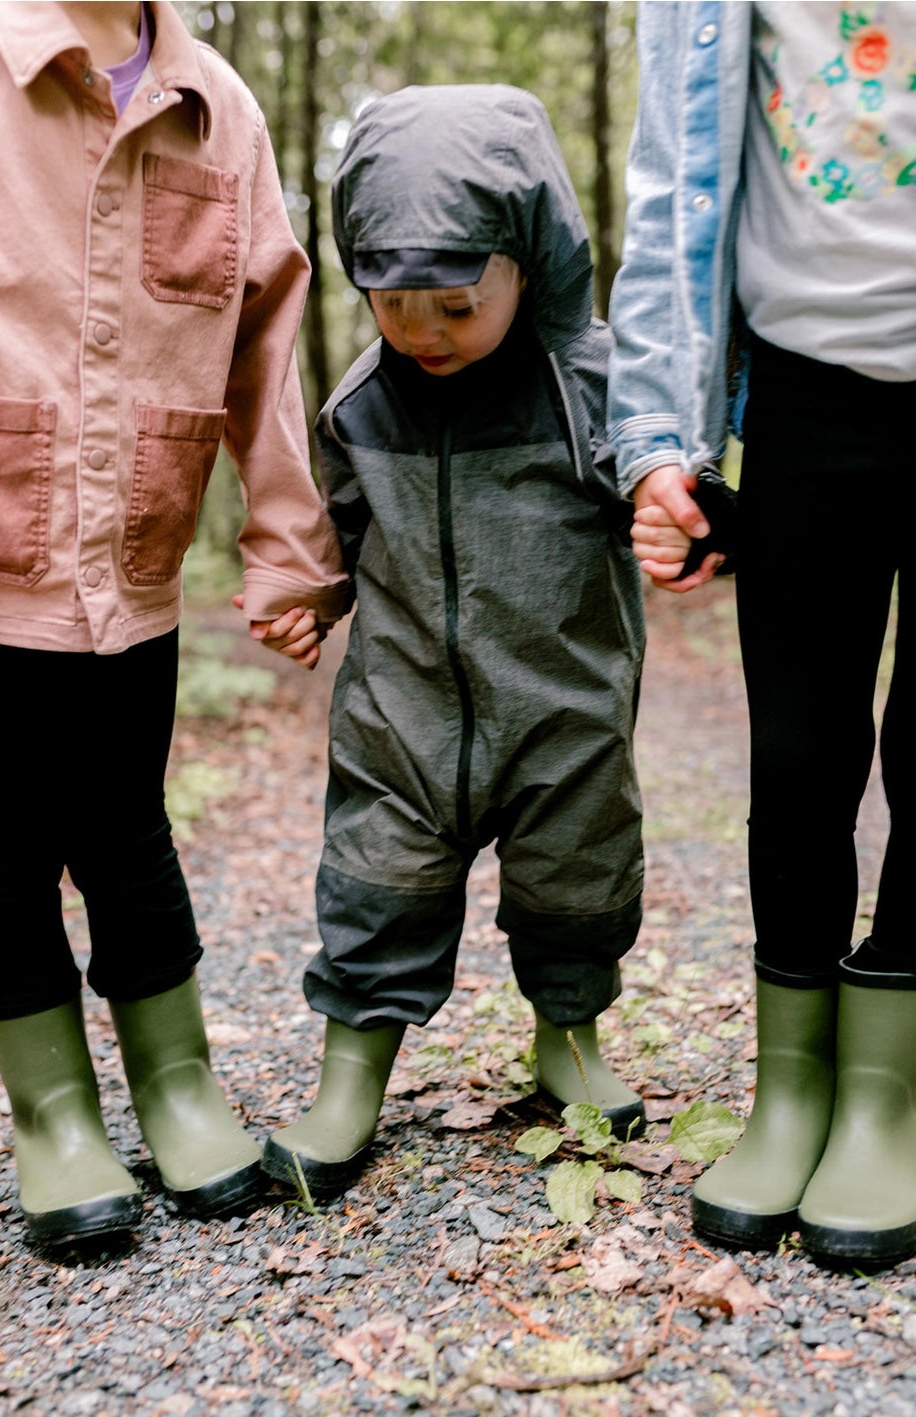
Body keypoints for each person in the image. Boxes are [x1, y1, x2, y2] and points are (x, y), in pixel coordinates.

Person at [0, 1, 349, 1246]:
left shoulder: (216, 105)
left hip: (132, 563)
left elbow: (267, 339)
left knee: (127, 831)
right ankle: (54, 1118)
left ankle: (178, 1086)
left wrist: (291, 546)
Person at [261, 83, 648, 1201]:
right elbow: (334, 521)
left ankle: (566, 1037)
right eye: (391, 306)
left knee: (577, 867)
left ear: (528, 261)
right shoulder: (364, 402)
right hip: (402, 710)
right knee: (377, 869)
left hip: (561, 705)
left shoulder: (591, 386)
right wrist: (312, 591)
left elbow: (659, 484)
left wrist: (682, 511)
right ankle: (352, 1072)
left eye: (452, 306)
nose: (419, 334)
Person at [607, 2, 915, 1267]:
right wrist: (656, 446)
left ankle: (886, 1101)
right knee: (796, 753)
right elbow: (669, 189)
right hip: (799, 392)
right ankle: (790, 1088)